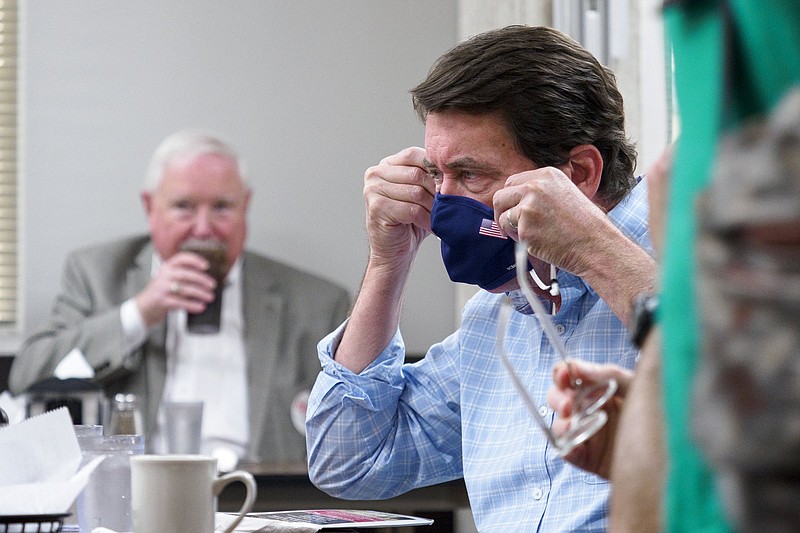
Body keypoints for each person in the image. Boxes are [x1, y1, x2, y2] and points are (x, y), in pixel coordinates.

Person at [305, 25, 657, 532]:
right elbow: (349, 459)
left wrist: (592, 249)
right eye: (435, 175)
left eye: (471, 175)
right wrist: (388, 262)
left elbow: (751, 396)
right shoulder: (497, 319)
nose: (445, 202)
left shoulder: (700, 257)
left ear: (578, 174)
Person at [9, 129, 351, 469]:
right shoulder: (98, 275)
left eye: (221, 207)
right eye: (184, 207)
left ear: (245, 207)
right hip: (140, 492)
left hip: (260, 495)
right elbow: (27, 375)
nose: (203, 229)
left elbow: (347, 437)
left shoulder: (317, 303)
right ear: (150, 207)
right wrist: (140, 312)